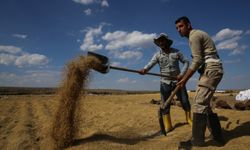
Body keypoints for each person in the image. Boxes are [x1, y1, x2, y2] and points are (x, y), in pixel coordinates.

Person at [175, 16, 225, 148]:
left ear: (189, 25)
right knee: (205, 105)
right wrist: (183, 76)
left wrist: (184, 79)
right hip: (210, 70)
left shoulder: (194, 36)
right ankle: (218, 138)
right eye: (177, 28)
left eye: (181, 26)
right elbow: (200, 61)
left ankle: (196, 142)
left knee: (199, 102)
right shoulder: (197, 35)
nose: (178, 30)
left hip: (212, 69)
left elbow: (197, 61)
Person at [139, 33, 192, 135]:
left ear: (167, 42)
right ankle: (168, 125)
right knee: (165, 104)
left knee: (185, 101)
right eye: (159, 41)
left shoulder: (177, 52)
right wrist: (145, 69)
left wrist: (181, 74)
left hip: (178, 82)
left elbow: (186, 62)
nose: (161, 43)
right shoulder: (157, 55)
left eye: (163, 41)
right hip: (165, 83)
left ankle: (189, 119)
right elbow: (151, 63)